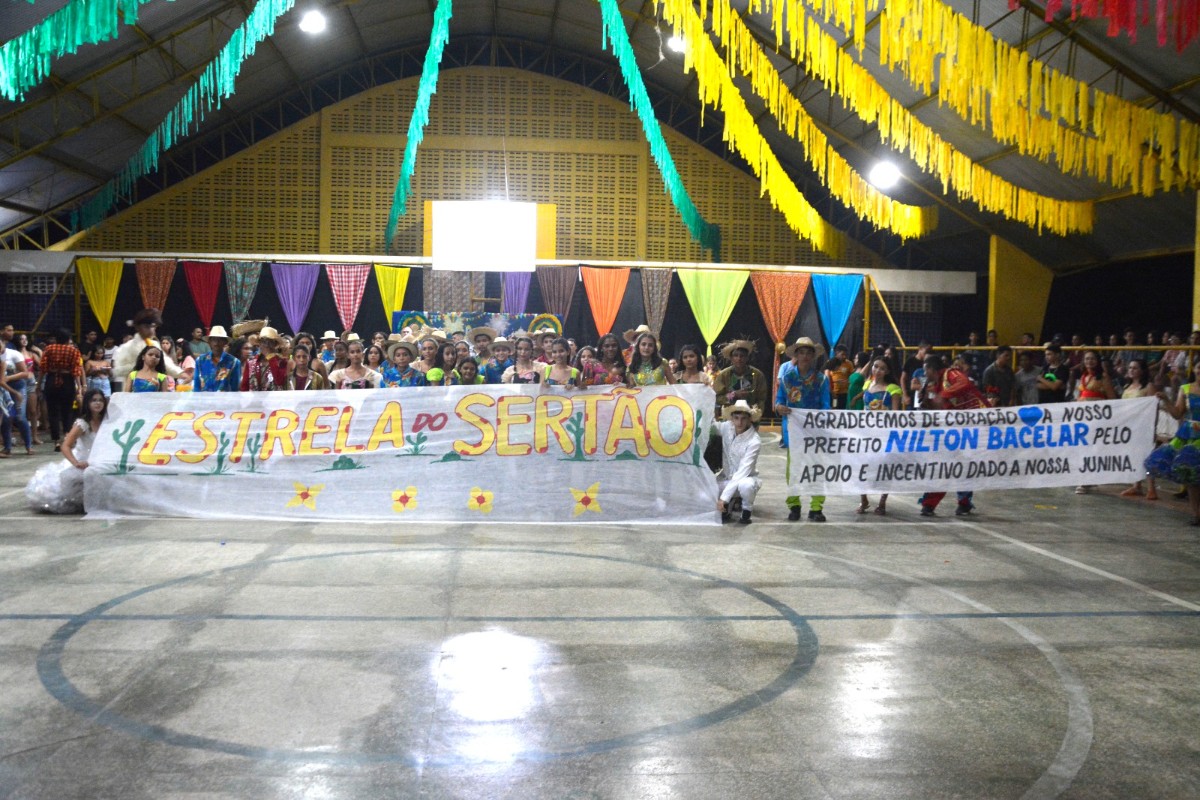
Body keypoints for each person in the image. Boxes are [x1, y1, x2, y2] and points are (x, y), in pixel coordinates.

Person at [917, 354, 987, 517]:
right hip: (954, 430)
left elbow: (964, 383)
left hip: (973, 427)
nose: (924, 374)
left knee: (961, 464)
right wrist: (927, 403)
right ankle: (932, 503)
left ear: (931, 369)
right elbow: (940, 409)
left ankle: (960, 503)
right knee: (946, 465)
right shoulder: (936, 386)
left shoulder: (950, 374)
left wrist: (943, 395)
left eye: (925, 370)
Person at [25, 389, 107, 513]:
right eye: (94, 400)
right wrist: (76, 463)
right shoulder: (82, 424)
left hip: (101, 460)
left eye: (100, 400)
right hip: (83, 460)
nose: (98, 403)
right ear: (87, 403)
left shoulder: (106, 422)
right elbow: (65, 446)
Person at [776, 337, 831, 522]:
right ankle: (794, 505)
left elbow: (826, 406)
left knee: (816, 468)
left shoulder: (822, 380)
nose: (805, 356)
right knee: (794, 469)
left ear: (813, 356)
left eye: (809, 353)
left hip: (815, 432)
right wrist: (779, 407)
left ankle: (816, 507)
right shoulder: (787, 378)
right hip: (793, 430)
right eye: (802, 352)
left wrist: (821, 420)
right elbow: (779, 401)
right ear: (796, 355)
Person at [1146, 359, 1200, 526]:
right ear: (1195, 370)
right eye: (1199, 367)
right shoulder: (1185, 389)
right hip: (1191, 435)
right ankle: (1197, 514)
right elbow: (1177, 413)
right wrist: (1166, 400)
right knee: (1191, 476)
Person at [857, 358, 902, 516]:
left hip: (884, 434)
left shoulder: (893, 389)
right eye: (875, 366)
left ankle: (882, 502)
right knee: (861, 466)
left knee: (884, 468)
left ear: (888, 371)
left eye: (882, 368)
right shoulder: (867, 384)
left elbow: (896, 414)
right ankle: (864, 500)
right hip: (866, 433)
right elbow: (864, 408)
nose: (877, 370)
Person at [714, 400, 762, 524]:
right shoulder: (726, 427)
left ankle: (746, 509)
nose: (739, 422)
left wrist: (723, 499)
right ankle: (732, 502)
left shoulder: (754, 441)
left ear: (750, 419)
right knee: (705, 492)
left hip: (745, 478)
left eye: (744, 418)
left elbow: (742, 472)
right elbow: (710, 425)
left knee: (746, 486)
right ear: (731, 418)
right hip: (725, 478)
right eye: (736, 418)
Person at [111, 309, 182, 392]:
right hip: (132, 391)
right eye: (147, 327)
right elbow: (117, 371)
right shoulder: (127, 347)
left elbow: (166, 363)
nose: (151, 330)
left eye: (153, 326)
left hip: (153, 391)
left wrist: (181, 373)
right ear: (138, 327)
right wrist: (140, 365)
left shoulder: (154, 344)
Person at [39, 328, 85, 451]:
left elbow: (43, 368)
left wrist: (38, 385)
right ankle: (66, 437)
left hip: (51, 380)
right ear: (68, 339)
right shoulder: (73, 351)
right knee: (67, 411)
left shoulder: (49, 349)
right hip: (67, 381)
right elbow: (76, 371)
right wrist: (79, 387)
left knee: (52, 412)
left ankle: (56, 441)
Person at [1120, 360, 1160, 501]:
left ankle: (1151, 488)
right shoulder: (1127, 386)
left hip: (1143, 426)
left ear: (1142, 370)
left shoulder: (1148, 386)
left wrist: (1153, 427)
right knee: (1134, 455)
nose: (1132, 370)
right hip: (1130, 426)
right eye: (1130, 367)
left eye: (1135, 368)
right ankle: (1136, 485)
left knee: (1147, 456)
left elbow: (1153, 408)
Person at [713, 339, 769, 417]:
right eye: (736, 356)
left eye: (742, 356)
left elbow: (761, 399)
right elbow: (717, 398)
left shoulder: (757, 375)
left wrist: (756, 415)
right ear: (731, 358)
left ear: (747, 358)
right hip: (729, 417)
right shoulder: (723, 375)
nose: (739, 359)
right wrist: (733, 395)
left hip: (750, 417)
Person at [1, 335, 34, 457]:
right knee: (6, 418)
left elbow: (25, 373)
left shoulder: (13, 354)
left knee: (20, 417)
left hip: (18, 386)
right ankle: (7, 448)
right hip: (4, 389)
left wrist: (8, 377)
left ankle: (28, 446)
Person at [192, 327, 242, 392]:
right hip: (204, 401)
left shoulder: (234, 362)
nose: (216, 343)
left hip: (226, 401)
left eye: (220, 339)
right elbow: (196, 386)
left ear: (225, 342)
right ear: (209, 341)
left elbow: (235, 388)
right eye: (214, 339)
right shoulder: (200, 361)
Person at [240, 326, 289, 391]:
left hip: (274, 400)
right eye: (263, 341)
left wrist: (270, 356)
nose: (266, 345)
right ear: (259, 344)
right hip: (254, 400)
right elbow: (244, 387)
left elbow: (279, 382)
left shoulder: (282, 362)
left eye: (270, 342)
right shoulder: (251, 362)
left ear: (275, 344)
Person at [825, 344, 855, 409]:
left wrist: (847, 381)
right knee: (833, 408)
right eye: (842, 354)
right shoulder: (830, 363)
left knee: (842, 410)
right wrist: (831, 391)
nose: (844, 357)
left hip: (844, 393)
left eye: (846, 355)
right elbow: (826, 378)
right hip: (833, 393)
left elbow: (853, 377)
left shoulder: (849, 364)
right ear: (837, 353)